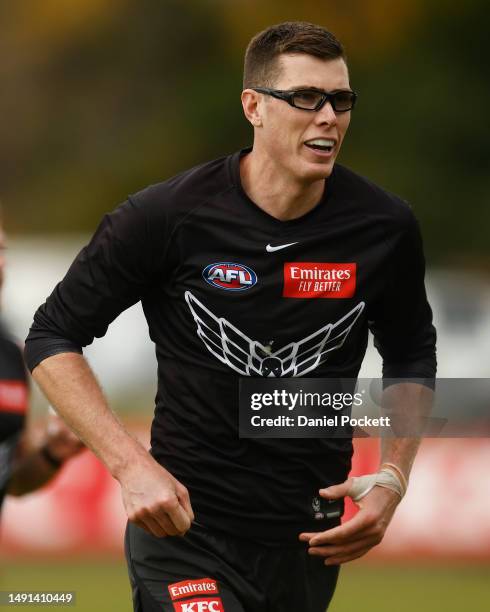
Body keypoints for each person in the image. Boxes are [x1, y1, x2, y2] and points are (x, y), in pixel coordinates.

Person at [24, 21, 436, 612]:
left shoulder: (385, 228)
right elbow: (51, 336)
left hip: (307, 541)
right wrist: (131, 466)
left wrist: (394, 478)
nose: (328, 117)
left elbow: (411, 356)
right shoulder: (165, 216)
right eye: (305, 98)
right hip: (185, 532)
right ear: (254, 106)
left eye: (340, 100)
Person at [0, 222, 83, 516]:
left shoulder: (11, 355)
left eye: (2, 249)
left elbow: (13, 482)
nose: (2, 262)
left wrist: (52, 453)